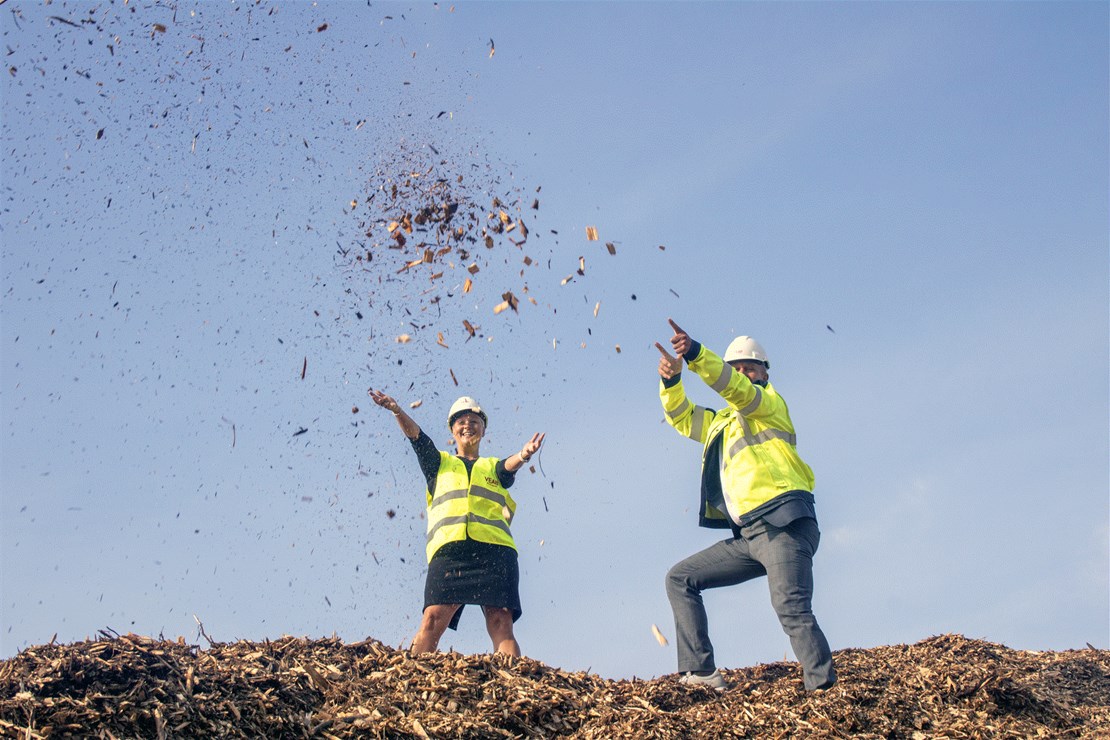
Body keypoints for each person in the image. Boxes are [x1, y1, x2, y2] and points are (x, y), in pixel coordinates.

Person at [654, 318, 836, 692]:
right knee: (680, 578)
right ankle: (702, 672)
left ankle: (824, 690)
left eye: (749, 367)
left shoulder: (767, 403)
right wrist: (672, 381)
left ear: (764, 374)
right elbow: (682, 417)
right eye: (736, 367)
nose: (741, 373)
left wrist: (695, 354)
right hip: (748, 535)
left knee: (791, 607)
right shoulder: (722, 422)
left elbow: (733, 387)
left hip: (782, 523)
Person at [369, 390, 544, 657]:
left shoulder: (492, 466)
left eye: (474, 421)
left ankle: (513, 683)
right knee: (432, 619)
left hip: (495, 552)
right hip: (450, 552)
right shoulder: (439, 463)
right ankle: (412, 678)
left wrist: (524, 454)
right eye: (461, 421)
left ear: (483, 430)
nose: (467, 425)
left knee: (501, 621)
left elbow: (509, 467)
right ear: (452, 430)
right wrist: (396, 409)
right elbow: (417, 438)